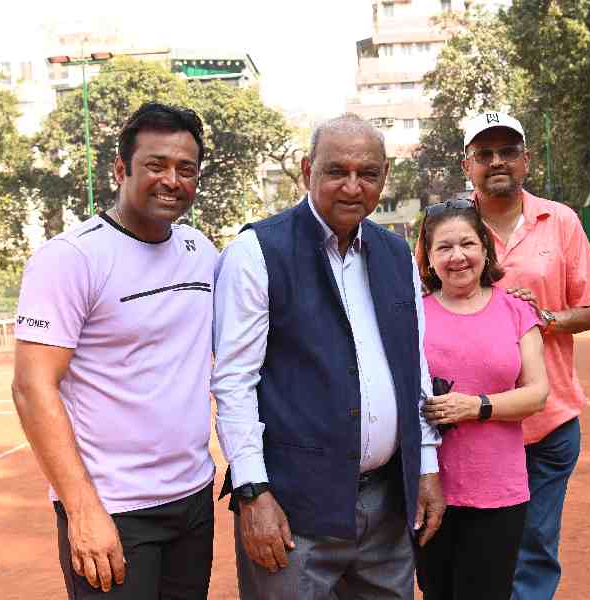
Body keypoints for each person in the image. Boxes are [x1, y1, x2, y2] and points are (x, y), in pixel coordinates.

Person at [211, 113, 445, 600]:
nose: (353, 187)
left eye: (369, 173)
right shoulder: (256, 253)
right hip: (294, 509)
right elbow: (235, 383)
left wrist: (425, 466)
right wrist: (253, 493)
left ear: (384, 176)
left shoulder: (396, 253)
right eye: (337, 171)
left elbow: (412, 369)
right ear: (306, 171)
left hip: (387, 507)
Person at [11, 103, 220, 599]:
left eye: (185, 169)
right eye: (156, 165)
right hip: (113, 509)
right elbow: (31, 387)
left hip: (192, 500)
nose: (172, 180)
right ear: (121, 169)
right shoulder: (71, 258)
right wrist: (82, 510)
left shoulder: (202, 252)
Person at [459, 111, 590, 600]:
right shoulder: (450, 227)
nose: (497, 162)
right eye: (485, 154)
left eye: (507, 152)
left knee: (535, 544)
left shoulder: (559, 220)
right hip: (473, 422)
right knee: (474, 548)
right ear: (468, 167)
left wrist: (543, 318)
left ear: (526, 161)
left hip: (549, 420)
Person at [413, 199, 549, 599]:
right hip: (428, 487)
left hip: (498, 491)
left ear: (485, 249)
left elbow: (537, 393)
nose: (458, 257)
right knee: (437, 592)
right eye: (444, 247)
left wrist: (476, 407)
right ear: (429, 257)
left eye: (467, 244)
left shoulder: (517, 311)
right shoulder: (412, 315)